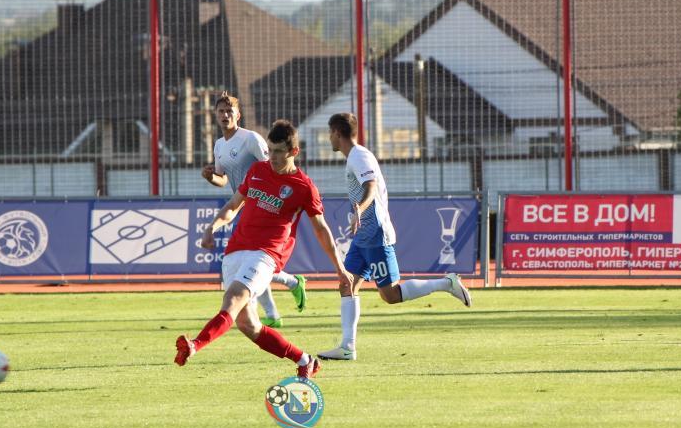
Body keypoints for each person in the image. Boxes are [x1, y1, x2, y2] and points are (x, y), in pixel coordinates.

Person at [177, 119, 352, 378]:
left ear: (294, 151)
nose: (272, 157)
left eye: (279, 151)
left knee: (232, 300)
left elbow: (321, 229)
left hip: (266, 255)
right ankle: (305, 360)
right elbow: (233, 206)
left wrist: (340, 269)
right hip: (236, 250)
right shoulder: (257, 170)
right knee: (249, 325)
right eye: (270, 150)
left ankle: (194, 345)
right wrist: (211, 227)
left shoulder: (304, 186)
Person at [318, 112, 470, 361]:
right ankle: (347, 347)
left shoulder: (359, 156)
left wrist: (359, 209)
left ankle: (446, 283)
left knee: (390, 294)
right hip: (363, 236)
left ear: (336, 133)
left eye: (329, 133)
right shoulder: (354, 156)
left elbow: (370, 186)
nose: (329, 138)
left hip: (376, 233)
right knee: (347, 284)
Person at [201, 92, 307, 328]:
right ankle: (278, 306)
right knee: (249, 264)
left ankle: (284, 294)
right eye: (221, 111)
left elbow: (273, 166)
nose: (225, 115)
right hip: (241, 205)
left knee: (254, 262)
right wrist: (211, 177)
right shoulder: (219, 145)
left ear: (238, 115)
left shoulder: (250, 139)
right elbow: (223, 179)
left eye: (229, 111)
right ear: (215, 115)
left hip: (263, 206)